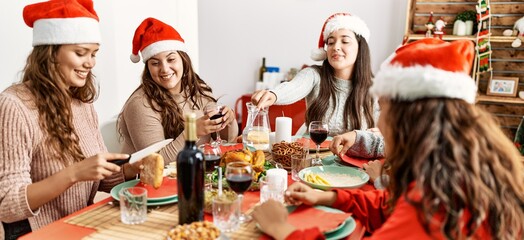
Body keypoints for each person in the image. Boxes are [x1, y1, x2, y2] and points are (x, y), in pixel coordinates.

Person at [253, 38, 524, 239]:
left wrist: (282, 229)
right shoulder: (456, 172)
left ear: (409, 120)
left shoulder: (434, 212)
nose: (379, 122)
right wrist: (331, 198)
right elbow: (392, 203)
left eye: (385, 109)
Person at [0, 1, 137, 239]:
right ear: (50, 53)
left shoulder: (82, 104)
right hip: (38, 232)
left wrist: (130, 169)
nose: (90, 63)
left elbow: (100, 179)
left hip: (82, 223)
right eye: (80, 53)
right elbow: (8, 203)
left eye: (94, 54)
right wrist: (74, 173)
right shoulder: (14, 105)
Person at [251, 13, 383, 159]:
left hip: (352, 163)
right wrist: (273, 94)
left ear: (361, 48)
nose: (336, 47)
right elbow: (293, 87)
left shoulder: (376, 88)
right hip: (312, 158)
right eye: (331, 42)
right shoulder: (314, 75)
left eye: (345, 41)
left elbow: (380, 134)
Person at [118, 18, 238, 164]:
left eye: (171, 59)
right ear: (148, 68)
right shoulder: (140, 105)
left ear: (183, 60)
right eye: (155, 63)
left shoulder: (198, 90)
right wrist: (192, 132)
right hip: (145, 184)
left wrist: (228, 120)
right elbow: (155, 163)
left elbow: (225, 141)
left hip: (192, 175)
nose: (164, 69)